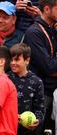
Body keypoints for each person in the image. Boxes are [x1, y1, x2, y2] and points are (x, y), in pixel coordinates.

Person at [23, 0, 57, 133]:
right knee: (35, 130)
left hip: (51, 88)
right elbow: (49, 67)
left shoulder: (52, 29)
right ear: (47, 9)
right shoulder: (34, 32)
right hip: (40, 92)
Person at [8, 43, 45, 135]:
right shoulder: (5, 78)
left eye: (16, 59)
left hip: (27, 131)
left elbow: (40, 108)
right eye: (11, 60)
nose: (13, 63)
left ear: (27, 60)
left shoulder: (37, 82)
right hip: (7, 127)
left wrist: (37, 120)